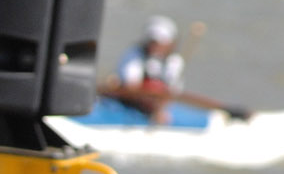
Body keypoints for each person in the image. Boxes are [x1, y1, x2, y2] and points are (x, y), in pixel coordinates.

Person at [101, 15, 246, 124]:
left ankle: (232, 113)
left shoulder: (174, 62)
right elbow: (131, 89)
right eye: (152, 41)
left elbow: (171, 93)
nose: (155, 46)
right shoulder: (133, 55)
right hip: (131, 104)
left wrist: (160, 110)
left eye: (160, 42)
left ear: (169, 43)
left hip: (155, 107)